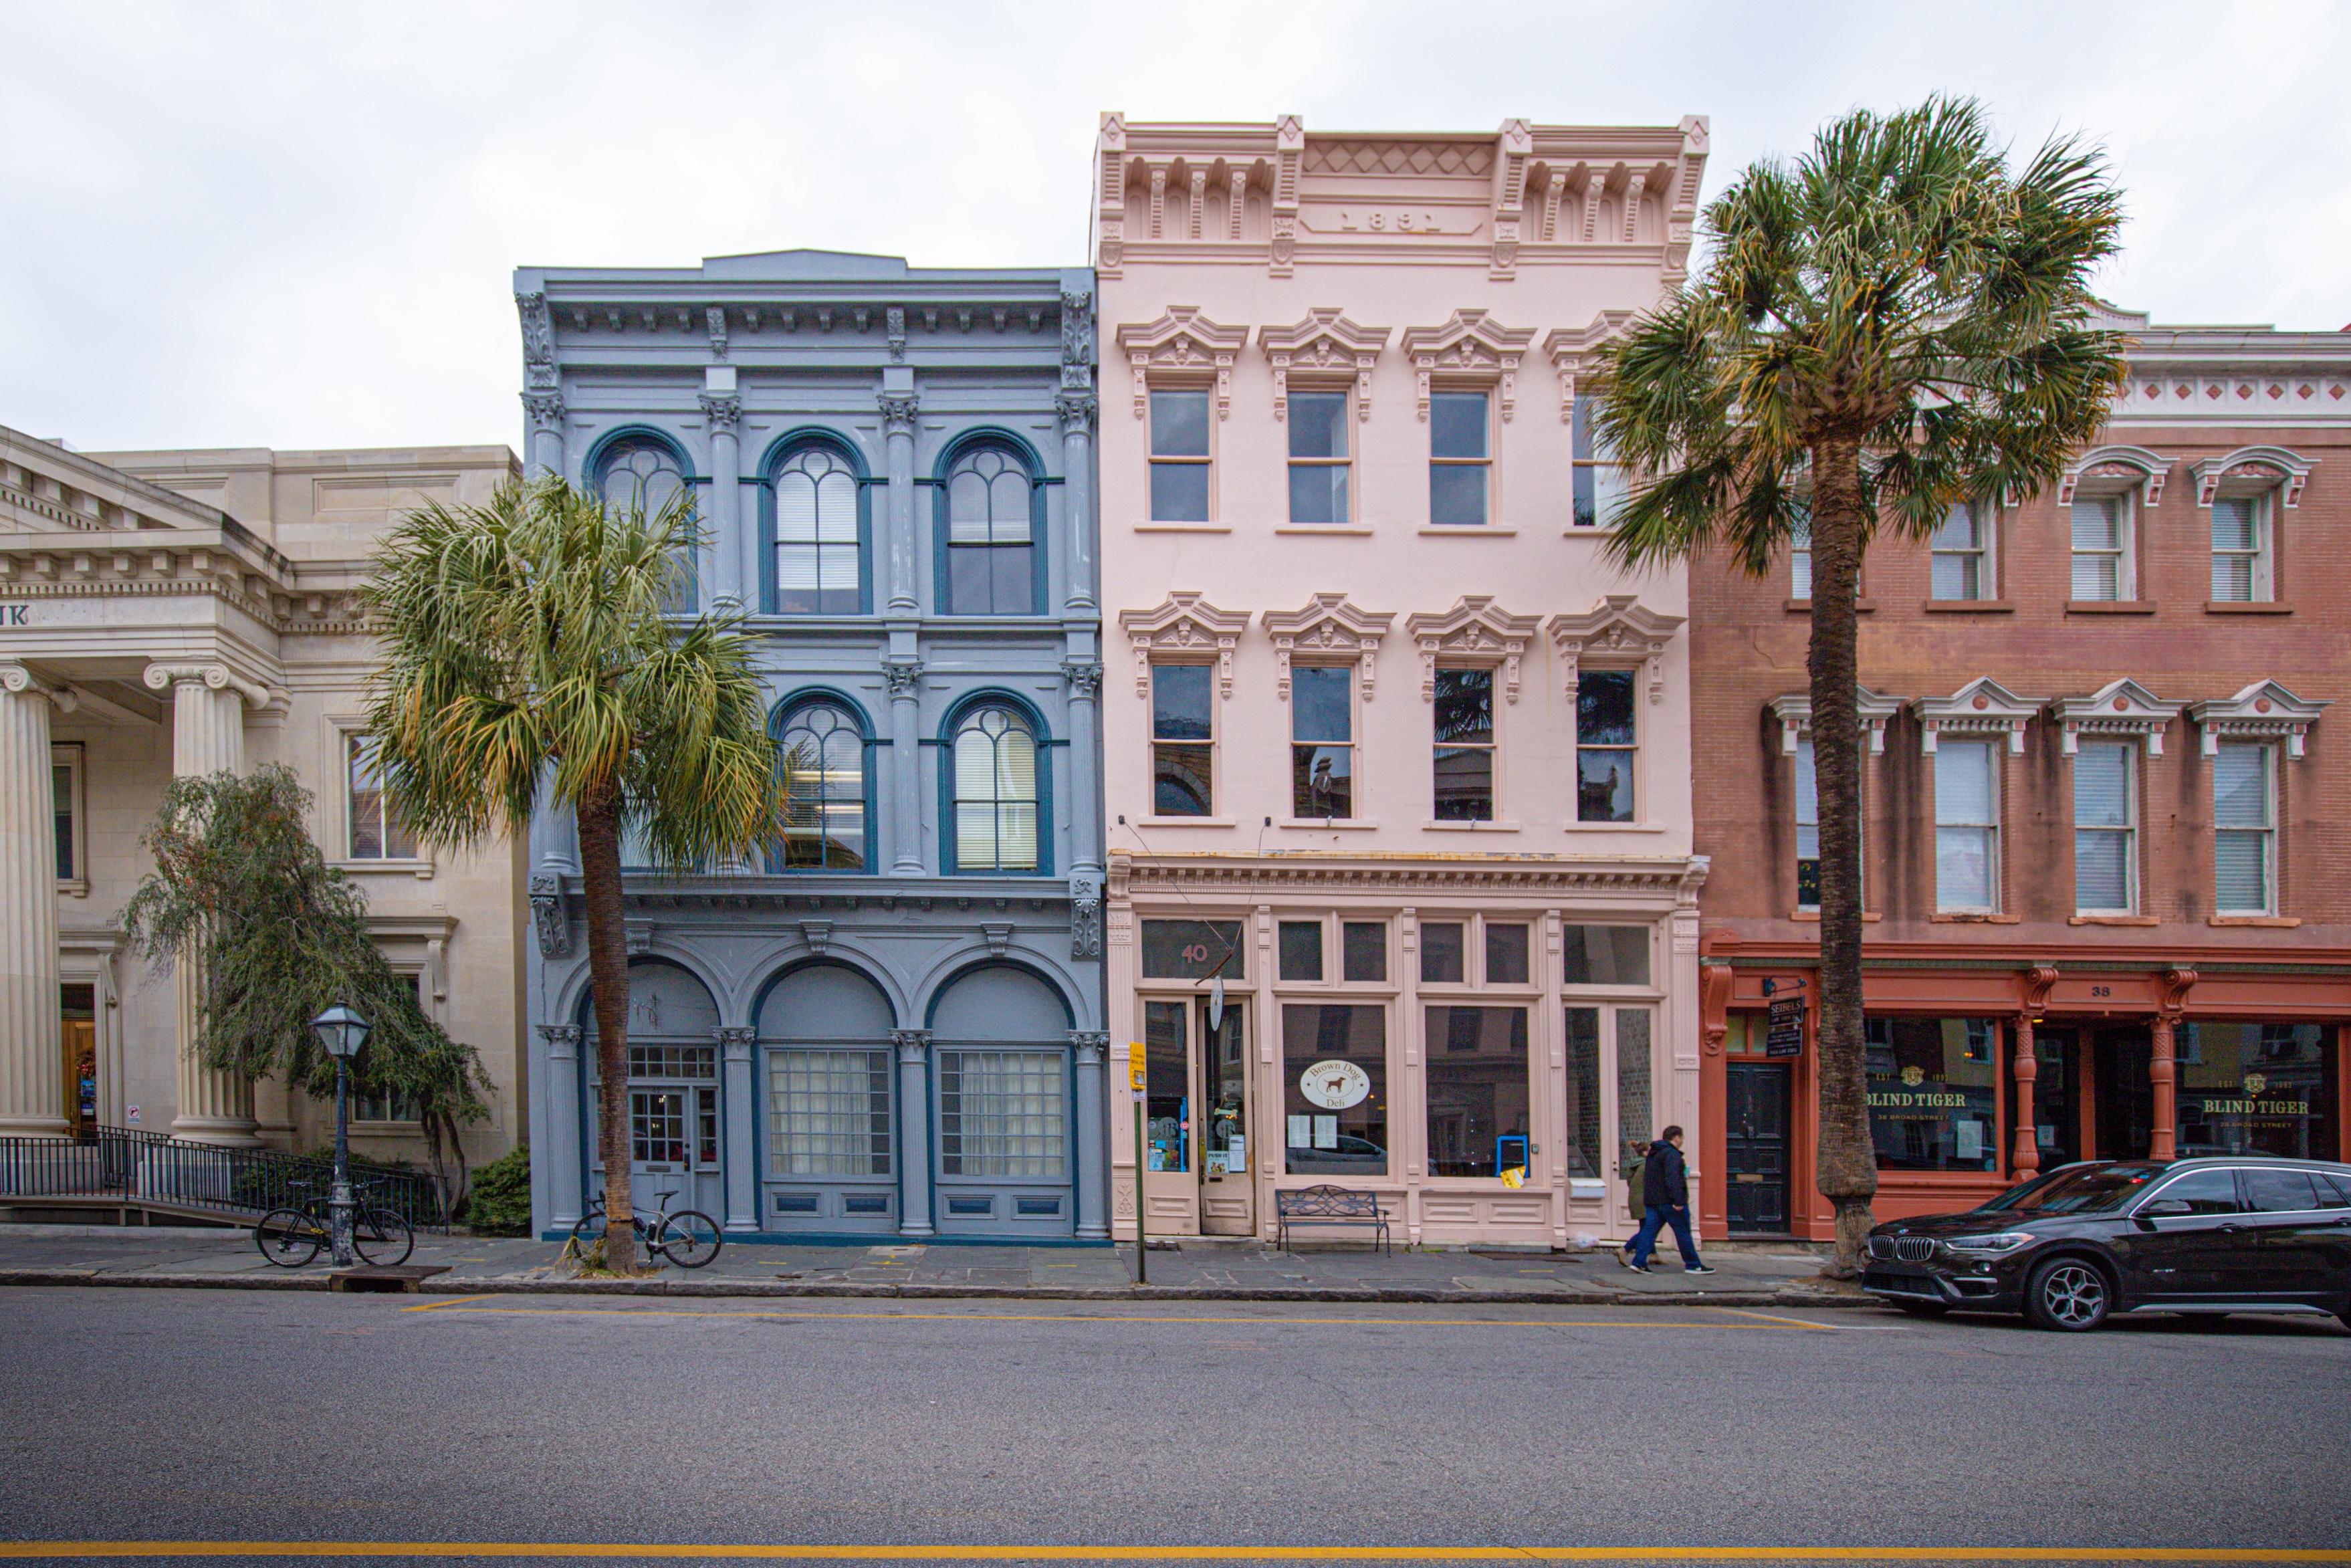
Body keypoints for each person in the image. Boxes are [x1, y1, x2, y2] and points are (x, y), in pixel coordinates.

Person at [1620, 1125, 1715, 1274]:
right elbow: (1673, 1178)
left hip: (1652, 1201)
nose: (1683, 1141)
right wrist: (1678, 1200)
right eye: (1682, 1138)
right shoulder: (1672, 1154)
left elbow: (1650, 1178)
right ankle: (1693, 1265)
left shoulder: (1654, 1153)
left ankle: (1639, 1262)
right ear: (1677, 1138)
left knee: (1649, 1231)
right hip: (1669, 1201)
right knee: (1683, 1232)